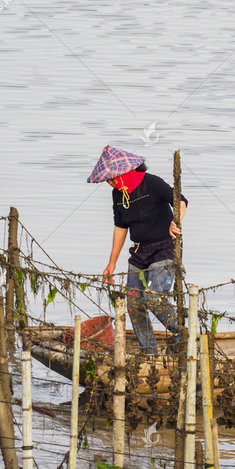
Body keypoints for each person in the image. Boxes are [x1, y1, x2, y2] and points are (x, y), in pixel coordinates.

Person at [88, 145, 188, 354]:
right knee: (134, 303)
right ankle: (149, 351)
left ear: (126, 171)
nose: (110, 182)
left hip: (165, 247)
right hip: (139, 251)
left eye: (113, 177)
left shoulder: (152, 183)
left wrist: (175, 222)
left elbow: (180, 200)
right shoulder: (118, 194)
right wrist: (112, 262)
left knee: (153, 298)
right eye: (107, 179)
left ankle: (187, 334)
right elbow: (121, 226)